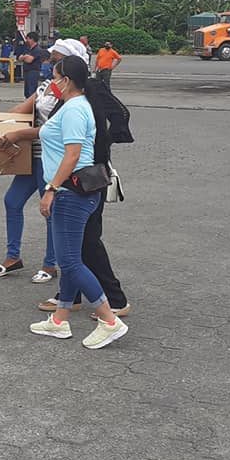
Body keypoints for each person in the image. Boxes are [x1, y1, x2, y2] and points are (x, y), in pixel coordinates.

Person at [21, 56, 128, 349]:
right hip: (74, 193)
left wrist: (51, 189)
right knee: (70, 259)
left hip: (71, 193)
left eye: (55, 77)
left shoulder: (74, 110)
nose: (52, 83)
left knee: (69, 261)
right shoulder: (74, 106)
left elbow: (73, 155)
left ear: (67, 80)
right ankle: (59, 320)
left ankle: (109, 320)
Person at [35, 75, 136, 318]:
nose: (53, 77)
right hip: (73, 177)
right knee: (75, 245)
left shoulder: (89, 91)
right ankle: (69, 300)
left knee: (88, 241)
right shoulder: (69, 97)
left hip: (86, 179)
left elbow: (121, 114)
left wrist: (102, 146)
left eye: (56, 71)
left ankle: (115, 300)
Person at [0, 65, 62, 284]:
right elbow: (21, 109)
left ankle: (50, 264)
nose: (50, 60)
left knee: (48, 210)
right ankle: (13, 257)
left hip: (49, 157)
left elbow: (53, 129)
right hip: (30, 154)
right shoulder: (46, 85)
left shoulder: (70, 92)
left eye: (56, 56)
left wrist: (18, 133)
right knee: (12, 201)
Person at [18, 31, 49, 98]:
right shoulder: (27, 48)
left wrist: (25, 57)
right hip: (26, 71)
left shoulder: (37, 50)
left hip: (33, 72)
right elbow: (20, 58)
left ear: (32, 39)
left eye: (28, 39)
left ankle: (32, 103)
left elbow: (29, 60)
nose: (27, 41)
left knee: (31, 91)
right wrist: (25, 57)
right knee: (26, 92)